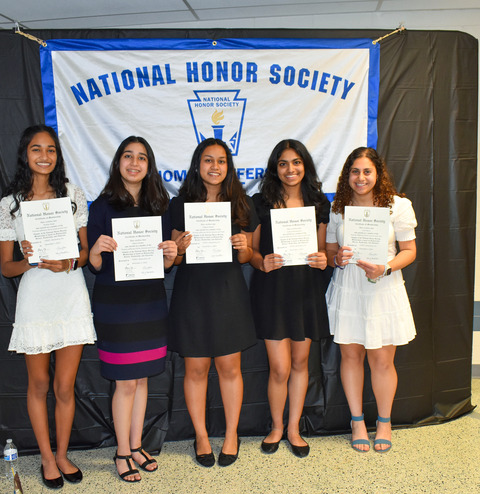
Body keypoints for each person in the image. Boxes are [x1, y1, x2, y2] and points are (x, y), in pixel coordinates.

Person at [0, 124, 96, 489]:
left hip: (70, 293)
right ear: (26, 154)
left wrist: (69, 262)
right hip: (35, 298)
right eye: (37, 149)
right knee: (39, 384)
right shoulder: (11, 204)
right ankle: (46, 458)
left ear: (57, 155)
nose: (44, 156)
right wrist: (30, 262)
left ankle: (64, 453)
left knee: (65, 386)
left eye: (51, 149)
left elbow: (84, 254)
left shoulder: (72, 195)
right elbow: (6, 267)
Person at [87, 136, 177, 483]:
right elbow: (94, 264)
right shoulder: (102, 206)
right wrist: (97, 248)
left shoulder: (160, 205)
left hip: (150, 304)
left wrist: (169, 254)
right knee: (124, 384)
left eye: (142, 158)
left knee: (141, 381)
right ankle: (122, 452)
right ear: (118, 162)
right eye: (128, 156)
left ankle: (137, 445)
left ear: (149, 166)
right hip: (116, 307)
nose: (134, 163)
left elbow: (166, 264)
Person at [169, 138, 259, 468]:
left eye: (221, 161)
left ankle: (232, 434)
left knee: (229, 368)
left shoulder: (241, 204)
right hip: (192, 293)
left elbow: (248, 257)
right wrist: (178, 247)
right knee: (195, 369)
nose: (215, 167)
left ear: (228, 167)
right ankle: (202, 436)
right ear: (197, 166)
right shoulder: (179, 205)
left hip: (228, 292)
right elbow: (175, 261)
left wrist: (243, 247)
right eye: (208, 160)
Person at [325, 146, 417, 453]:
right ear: (346, 175)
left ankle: (384, 422)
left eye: (367, 171)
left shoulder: (398, 206)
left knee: (381, 360)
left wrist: (386, 267)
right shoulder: (338, 208)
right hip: (349, 286)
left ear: (378, 174)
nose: (361, 177)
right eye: (355, 171)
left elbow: (410, 251)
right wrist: (336, 258)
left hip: (383, 286)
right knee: (351, 357)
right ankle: (357, 421)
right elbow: (328, 253)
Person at [250, 140, 330, 458]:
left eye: (296, 162)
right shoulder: (261, 202)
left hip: (306, 291)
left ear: (305, 165)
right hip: (272, 291)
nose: (290, 169)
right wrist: (261, 262)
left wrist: (323, 260)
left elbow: (323, 251)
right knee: (279, 367)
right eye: (283, 163)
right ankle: (276, 427)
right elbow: (252, 253)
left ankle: (294, 428)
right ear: (275, 169)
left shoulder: (318, 203)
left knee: (299, 363)